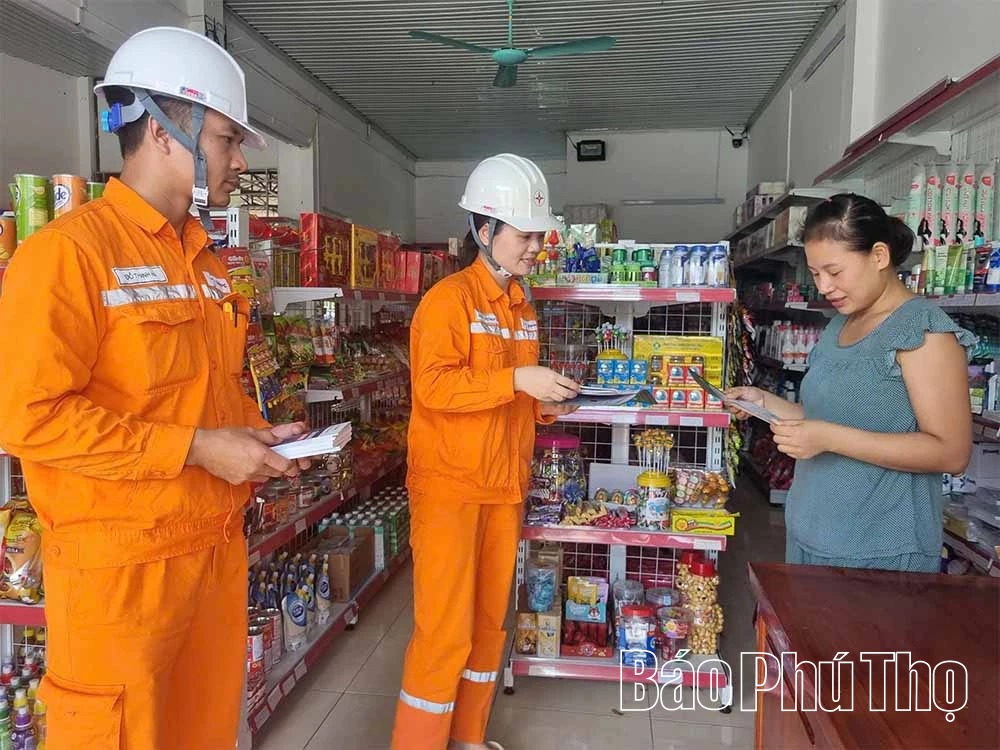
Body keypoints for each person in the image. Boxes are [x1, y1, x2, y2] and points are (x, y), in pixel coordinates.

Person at [0, 26, 308, 749]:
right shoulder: (67, 257)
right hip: (119, 581)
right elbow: (30, 420)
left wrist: (257, 443)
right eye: (229, 140)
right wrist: (197, 448)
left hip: (211, 559)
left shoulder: (204, 264)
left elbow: (203, 397)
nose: (238, 162)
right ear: (169, 130)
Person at [392, 154, 580, 750]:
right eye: (525, 236)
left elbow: (516, 393)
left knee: (486, 624)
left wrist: (551, 403)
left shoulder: (523, 306)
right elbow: (435, 387)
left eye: (538, 236)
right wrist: (520, 383)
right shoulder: (448, 301)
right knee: (443, 631)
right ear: (484, 231)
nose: (534, 248)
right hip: (450, 488)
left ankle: (468, 737)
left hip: (503, 485)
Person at [727, 193, 973, 572]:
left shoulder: (922, 330)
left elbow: (950, 453)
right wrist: (762, 402)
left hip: (879, 549)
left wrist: (827, 438)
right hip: (811, 533)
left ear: (879, 256)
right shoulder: (840, 324)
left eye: (835, 271)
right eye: (815, 273)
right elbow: (826, 416)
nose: (824, 286)